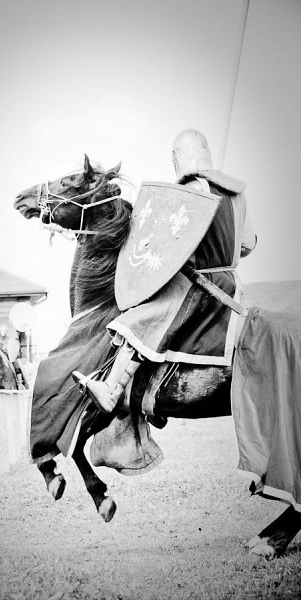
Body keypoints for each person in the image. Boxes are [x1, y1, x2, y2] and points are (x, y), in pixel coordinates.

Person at [73, 128, 257, 413]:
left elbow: (172, 242)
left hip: (199, 284)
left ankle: (110, 390)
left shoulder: (191, 190)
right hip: (231, 285)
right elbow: (247, 245)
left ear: (177, 158)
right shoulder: (238, 196)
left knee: (140, 319)